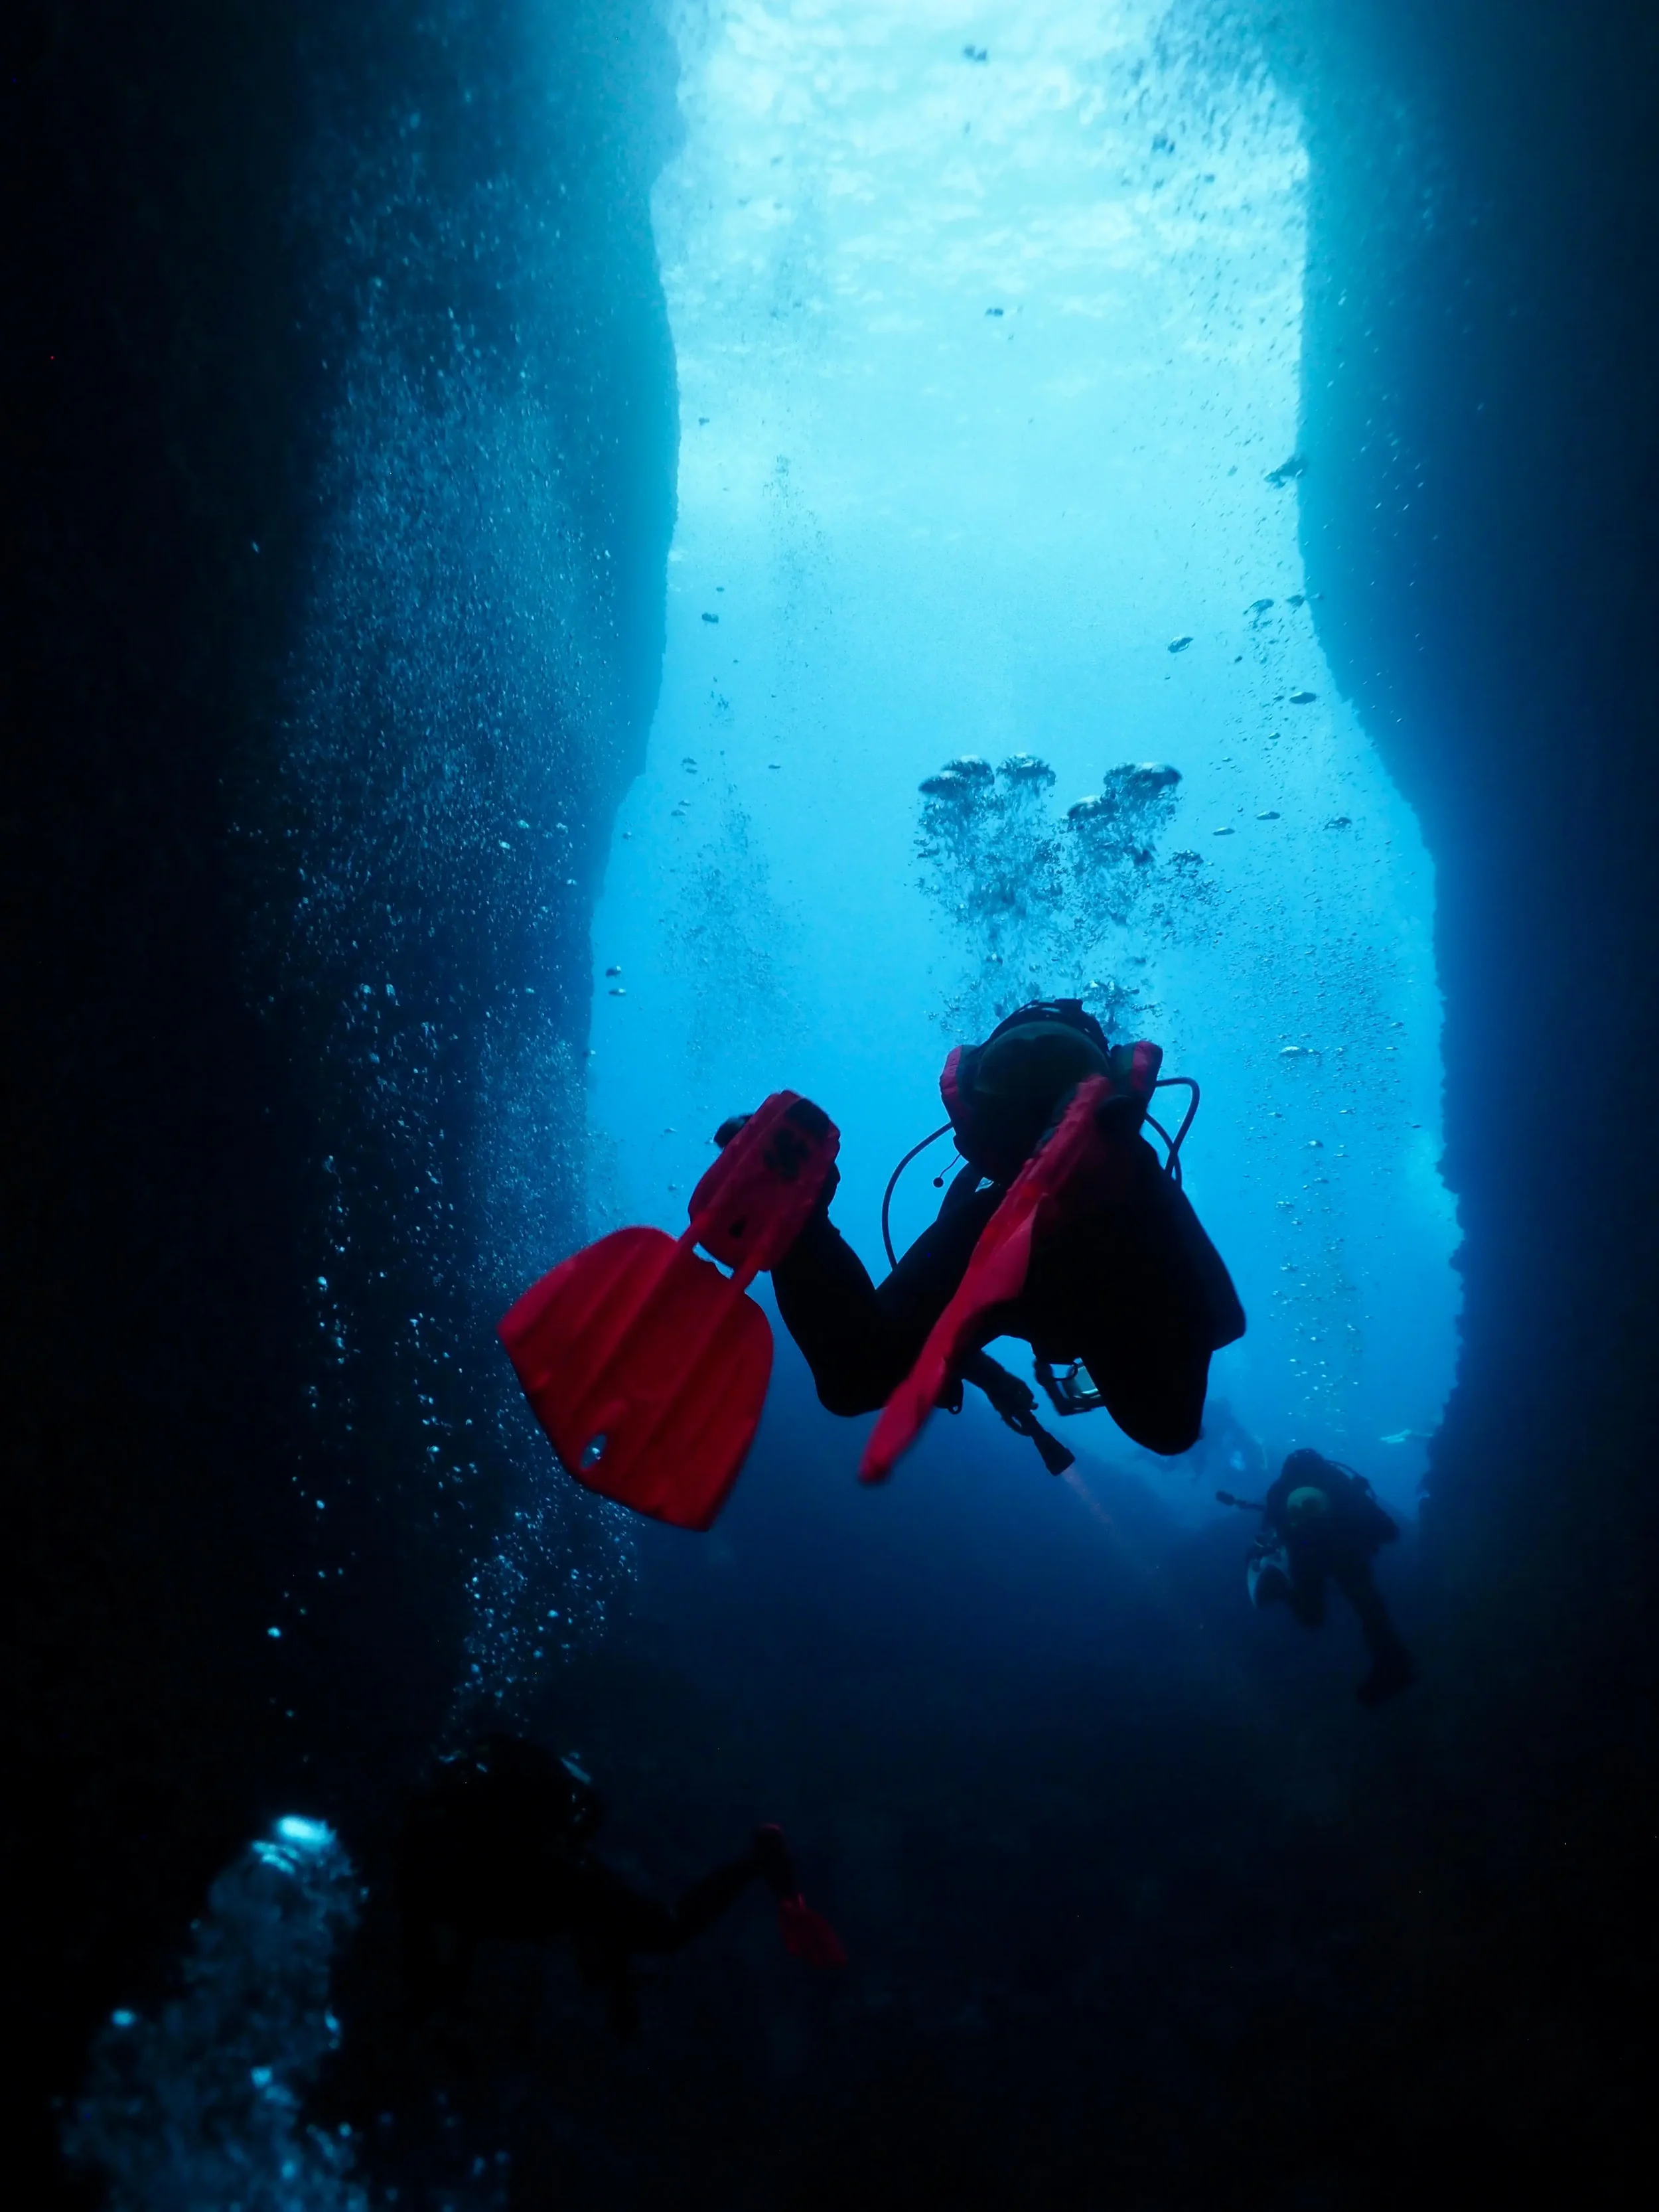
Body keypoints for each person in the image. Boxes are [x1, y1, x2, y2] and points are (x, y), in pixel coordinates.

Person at [724, 1000, 1245, 1459]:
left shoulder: (986, 1214)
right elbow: (1213, 1330)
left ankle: (799, 1217)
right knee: (1167, 1427)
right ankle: (799, 1219)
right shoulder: (1135, 1201)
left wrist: (802, 1226)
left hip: (1073, 1235)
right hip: (1114, 1243)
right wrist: (992, 1377)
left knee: (855, 1378)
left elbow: (869, 1363)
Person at [399, 1735, 843, 2036]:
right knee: (645, 1929)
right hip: (541, 1877)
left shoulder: (450, 1864)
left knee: (662, 1929)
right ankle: (758, 1860)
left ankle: (758, 1859)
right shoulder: (469, 1863)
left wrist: (617, 1988)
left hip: (544, 1876)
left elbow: (567, 1906)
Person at [1220, 1447, 1418, 1705]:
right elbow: (1389, 1531)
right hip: (1344, 1555)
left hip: (1309, 1559)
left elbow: (1273, 1530)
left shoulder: (1279, 1493)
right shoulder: (1339, 1485)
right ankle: (1394, 1665)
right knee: (1371, 1610)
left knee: (1314, 1617)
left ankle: (1394, 1667)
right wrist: (1356, 1513)